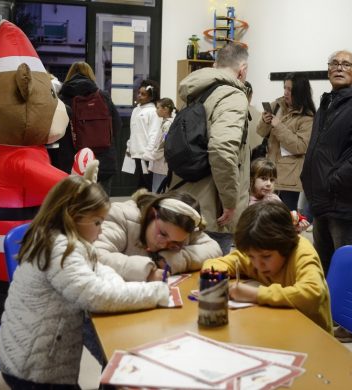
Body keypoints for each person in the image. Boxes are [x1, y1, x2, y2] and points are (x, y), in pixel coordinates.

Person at [0, 175, 169, 388]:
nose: (101, 229)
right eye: (97, 222)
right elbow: (95, 295)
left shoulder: (67, 239)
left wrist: (121, 287)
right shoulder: (59, 248)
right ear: (72, 216)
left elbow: (99, 270)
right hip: (34, 368)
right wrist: (156, 292)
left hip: (36, 357)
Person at [301, 50, 352, 276]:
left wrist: (333, 181)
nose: (339, 68)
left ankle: (341, 313)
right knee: (324, 270)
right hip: (322, 202)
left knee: (344, 273)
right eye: (334, 63)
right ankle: (323, 312)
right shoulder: (326, 105)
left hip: (345, 205)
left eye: (346, 64)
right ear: (328, 70)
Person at [169, 42, 250, 255]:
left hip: (185, 193)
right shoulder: (232, 96)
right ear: (242, 70)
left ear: (216, 65)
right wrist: (230, 201)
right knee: (211, 277)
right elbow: (222, 149)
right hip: (212, 206)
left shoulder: (197, 93)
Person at [202, 201, 332, 333]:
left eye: (266, 257)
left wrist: (256, 294)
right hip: (276, 327)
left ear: (285, 244)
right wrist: (215, 281)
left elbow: (313, 294)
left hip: (311, 335)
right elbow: (216, 263)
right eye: (251, 256)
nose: (258, 265)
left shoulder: (302, 252)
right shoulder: (257, 250)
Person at [94, 190, 222, 281]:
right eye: (163, 234)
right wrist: (146, 271)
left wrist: (176, 259)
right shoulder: (121, 216)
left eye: (175, 243)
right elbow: (94, 257)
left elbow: (214, 248)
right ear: (151, 214)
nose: (164, 244)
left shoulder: (184, 230)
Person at [49, 61, 122, 196]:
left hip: (71, 162)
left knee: (73, 204)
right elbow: (117, 125)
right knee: (99, 204)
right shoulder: (103, 97)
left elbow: (55, 131)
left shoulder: (62, 99)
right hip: (102, 162)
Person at [256, 73, 316, 211]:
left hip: (289, 177)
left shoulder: (307, 117)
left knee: (285, 217)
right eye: (285, 88)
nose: (286, 92)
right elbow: (261, 132)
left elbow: (300, 146)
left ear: (299, 92)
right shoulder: (276, 105)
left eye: (290, 89)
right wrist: (265, 122)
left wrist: (278, 126)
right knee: (265, 215)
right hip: (269, 171)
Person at [127, 79, 162, 192]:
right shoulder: (136, 110)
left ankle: (147, 205)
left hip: (146, 154)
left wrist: (149, 152)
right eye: (139, 93)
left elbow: (154, 133)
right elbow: (134, 131)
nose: (139, 96)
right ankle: (141, 204)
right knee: (141, 182)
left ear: (151, 97)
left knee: (147, 183)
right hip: (136, 152)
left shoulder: (153, 111)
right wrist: (129, 146)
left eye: (143, 94)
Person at [143, 97, 177, 192]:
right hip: (159, 163)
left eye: (158, 108)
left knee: (158, 190)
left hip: (162, 164)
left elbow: (162, 146)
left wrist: (150, 156)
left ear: (165, 109)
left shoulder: (167, 125)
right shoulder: (165, 123)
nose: (156, 110)